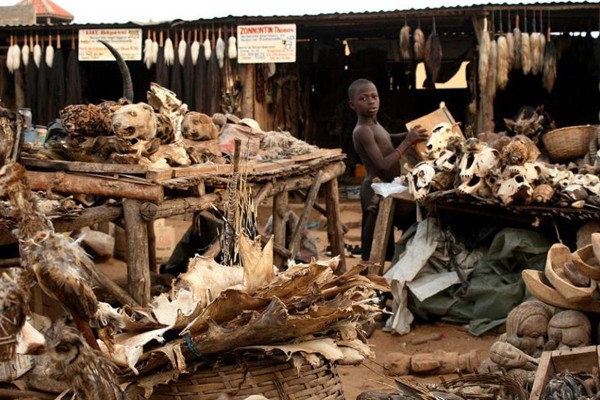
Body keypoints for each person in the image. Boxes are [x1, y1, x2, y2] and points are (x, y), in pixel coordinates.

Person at [349, 78, 430, 261]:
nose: (371, 101)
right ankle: (369, 280)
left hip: (387, 187)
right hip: (374, 190)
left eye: (374, 96)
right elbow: (383, 164)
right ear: (352, 104)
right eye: (363, 98)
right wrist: (407, 142)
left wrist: (408, 135)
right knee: (374, 242)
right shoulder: (362, 130)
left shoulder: (375, 124)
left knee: (385, 234)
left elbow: (387, 139)